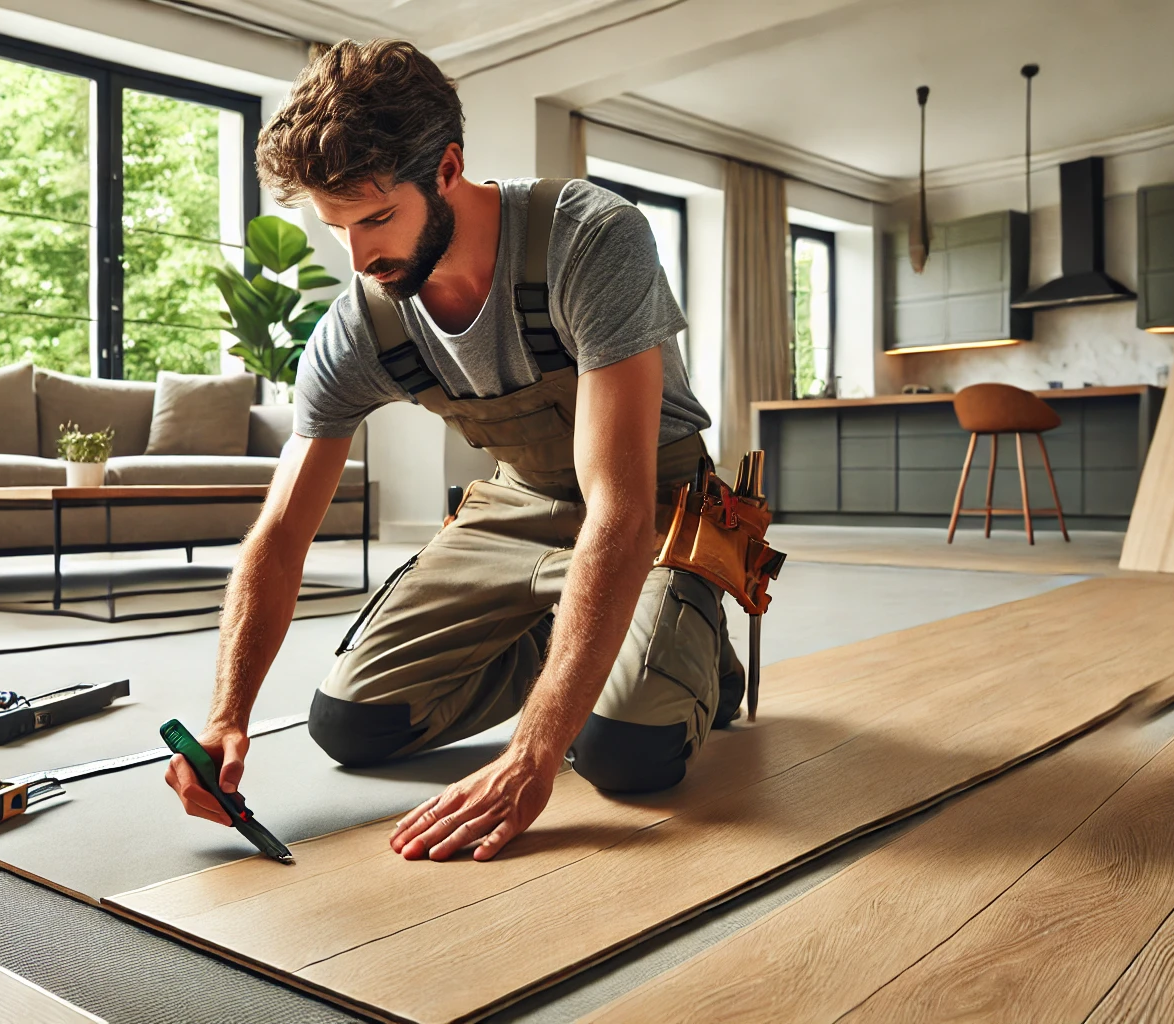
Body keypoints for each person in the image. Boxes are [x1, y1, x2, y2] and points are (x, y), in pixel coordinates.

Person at [164, 39, 744, 863]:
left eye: (374, 219)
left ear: (446, 167)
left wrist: (534, 753)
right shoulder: (361, 325)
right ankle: (581, 634)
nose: (360, 259)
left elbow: (618, 502)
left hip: (650, 505)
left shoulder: (592, 240)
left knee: (625, 753)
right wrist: (227, 715)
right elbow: (282, 534)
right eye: (335, 230)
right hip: (518, 505)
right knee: (351, 724)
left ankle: (695, 655)